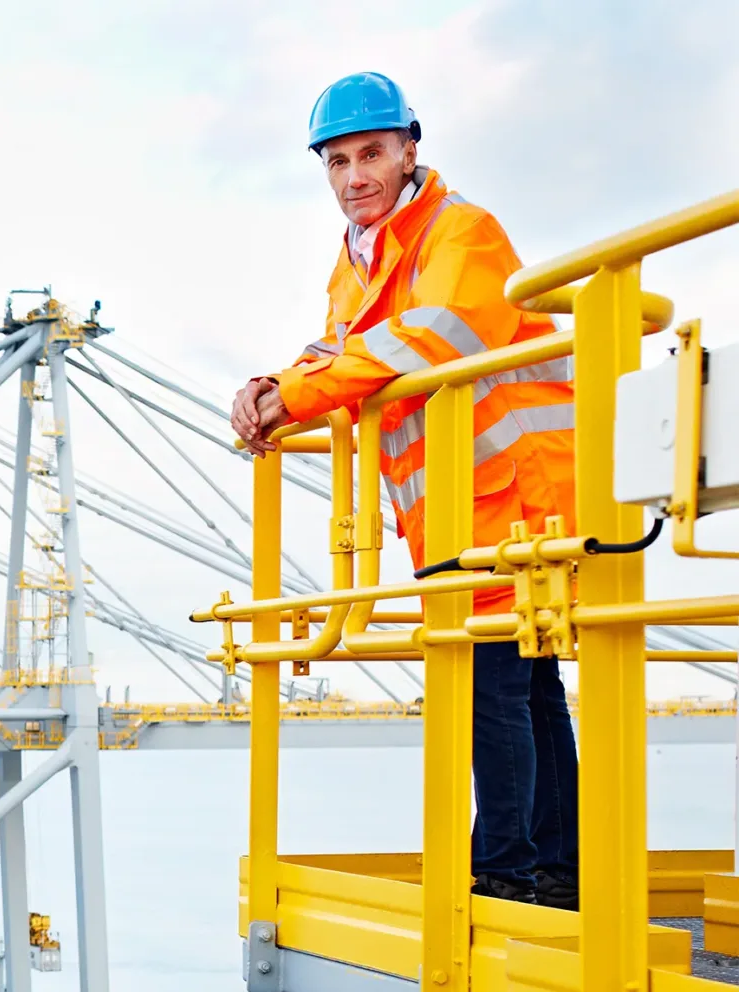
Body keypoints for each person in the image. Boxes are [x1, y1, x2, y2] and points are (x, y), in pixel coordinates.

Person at [229, 72, 579, 910]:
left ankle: (504, 871)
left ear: (410, 148)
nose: (355, 176)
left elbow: (434, 336)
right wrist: (272, 384)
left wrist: (303, 393)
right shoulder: (360, 260)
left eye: (373, 154)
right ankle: (554, 866)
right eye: (339, 161)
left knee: (488, 681)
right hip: (457, 502)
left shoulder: (462, 232)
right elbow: (338, 347)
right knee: (525, 686)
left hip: (515, 491)